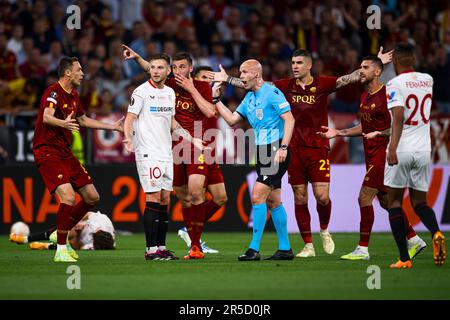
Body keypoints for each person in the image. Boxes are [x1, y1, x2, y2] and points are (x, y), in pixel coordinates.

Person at [207, 48, 392, 258]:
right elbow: (237, 111)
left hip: (295, 147)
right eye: (292, 63)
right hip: (283, 149)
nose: (294, 66)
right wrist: (220, 92)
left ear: (309, 65)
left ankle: (262, 247)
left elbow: (348, 79)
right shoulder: (277, 88)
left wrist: (378, 63)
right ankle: (291, 248)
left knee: (291, 196)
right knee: (280, 199)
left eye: (299, 63)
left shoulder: (304, 87)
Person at [318, 56, 426, 260]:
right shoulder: (364, 97)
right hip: (371, 154)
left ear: (377, 72)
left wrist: (381, 134)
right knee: (386, 201)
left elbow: (399, 125)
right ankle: (414, 239)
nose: (361, 71)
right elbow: (365, 127)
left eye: (366, 68)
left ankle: (363, 249)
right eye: (360, 67)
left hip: (385, 154)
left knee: (364, 197)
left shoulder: (388, 94)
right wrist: (339, 133)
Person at [122, 45, 220, 260]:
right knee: (159, 196)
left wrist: (192, 138)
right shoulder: (142, 91)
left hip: (169, 150)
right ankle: (151, 250)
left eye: (162, 68)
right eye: (154, 67)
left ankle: (161, 247)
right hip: (150, 150)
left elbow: (176, 122)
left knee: (166, 198)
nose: (157, 71)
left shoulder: (169, 92)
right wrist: (128, 137)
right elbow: (129, 118)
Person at [32, 56, 123, 262]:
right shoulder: (53, 92)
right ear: (68, 73)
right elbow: (47, 116)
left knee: (92, 197)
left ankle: (61, 230)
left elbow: (82, 120)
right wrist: (63, 124)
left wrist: (113, 127)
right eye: (79, 70)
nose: (83, 73)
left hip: (64, 151)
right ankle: (61, 248)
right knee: (68, 197)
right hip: (47, 150)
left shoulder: (73, 95)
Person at [214, 59, 296, 261]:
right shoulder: (249, 97)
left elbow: (290, 119)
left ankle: (254, 249)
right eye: (240, 73)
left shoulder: (272, 93)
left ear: (256, 74)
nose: (241, 76)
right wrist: (216, 101)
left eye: (244, 72)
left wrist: (283, 147)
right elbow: (233, 119)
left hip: (276, 149)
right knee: (273, 201)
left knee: (257, 195)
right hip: (261, 151)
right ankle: (285, 249)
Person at [384, 43, 446, 268]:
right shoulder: (427, 79)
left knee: (394, 203)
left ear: (395, 62)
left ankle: (404, 258)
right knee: (421, 202)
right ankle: (436, 232)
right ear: (414, 58)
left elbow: (398, 117)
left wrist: (392, 148)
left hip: (402, 149)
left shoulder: (394, 83)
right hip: (423, 149)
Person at [176, 65, 228, 254]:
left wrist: (223, 83)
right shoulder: (192, 99)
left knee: (221, 198)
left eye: (210, 78)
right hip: (194, 149)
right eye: (203, 79)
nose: (207, 82)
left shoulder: (211, 96)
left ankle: (189, 230)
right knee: (194, 195)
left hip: (209, 152)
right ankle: (194, 239)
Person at [9, 211, 116, 250]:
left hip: (77, 241)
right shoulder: (101, 220)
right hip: (79, 228)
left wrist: (78, 237)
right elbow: (87, 213)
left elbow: (82, 247)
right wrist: (78, 222)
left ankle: (46, 246)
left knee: (75, 246)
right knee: (69, 230)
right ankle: (25, 239)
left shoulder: (107, 243)